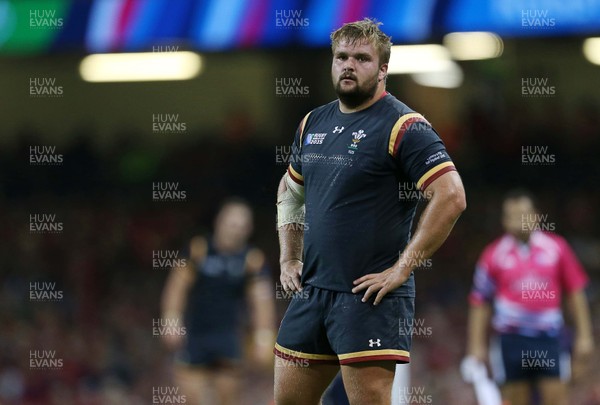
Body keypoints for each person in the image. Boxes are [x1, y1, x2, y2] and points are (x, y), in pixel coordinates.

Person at [274, 18, 466, 405]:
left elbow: (451, 196)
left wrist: (403, 267)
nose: (348, 64)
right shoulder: (313, 122)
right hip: (313, 291)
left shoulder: (404, 125)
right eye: (341, 56)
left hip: (368, 297)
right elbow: (289, 190)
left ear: (383, 70)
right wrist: (289, 256)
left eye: (362, 58)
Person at [465, 190, 594, 405]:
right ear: (504, 221)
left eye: (524, 213)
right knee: (514, 400)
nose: (519, 220)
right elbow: (480, 301)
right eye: (512, 215)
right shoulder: (493, 254)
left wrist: (585, 336)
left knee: (557, 399)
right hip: (511, 339)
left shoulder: (556, 248)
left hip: (549, 338)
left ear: (536, 215)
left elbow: (575, 292)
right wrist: (476, 345)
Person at [161, 198, 276, 405]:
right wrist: (171, 318)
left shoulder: (252, 259)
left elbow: (261, 300)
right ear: (219, 222)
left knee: (228, 396)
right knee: (191, 397)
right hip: (195, 335)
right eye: (232, 224)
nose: (236, 231)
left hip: (228, 336)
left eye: (241, 226)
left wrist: (264, 335)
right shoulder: (198, 249)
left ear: (249, 229)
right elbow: (176, 287)